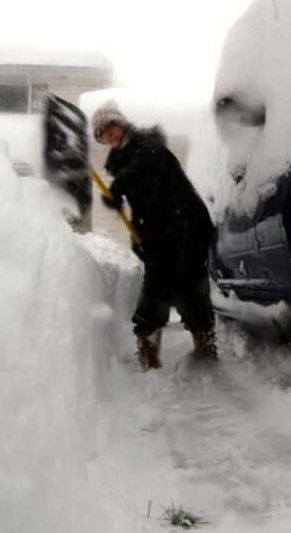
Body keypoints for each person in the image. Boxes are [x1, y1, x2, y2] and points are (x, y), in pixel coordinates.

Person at [92, 103, 217, 370]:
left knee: (191, 285)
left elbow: (144, 165)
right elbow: (142, 206)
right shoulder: (123, 160)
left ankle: (205, 350)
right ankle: (149, 353)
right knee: (155, 288)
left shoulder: (147, 143)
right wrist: (139, 238)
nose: (108, 135)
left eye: (109, 126)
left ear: (121, 123)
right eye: (101, 134)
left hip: (188, 224)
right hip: (161, 231)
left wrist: (119, 185)